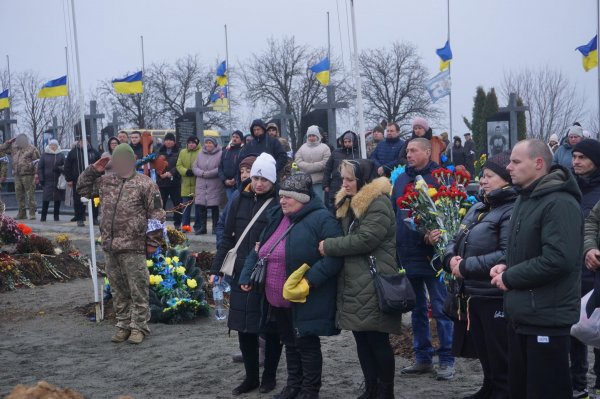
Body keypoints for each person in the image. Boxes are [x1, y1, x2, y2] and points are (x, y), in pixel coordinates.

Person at [490, 139, 582, 399]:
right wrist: (505, 265)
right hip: (523, 316)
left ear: (539, 164)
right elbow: (528, 251)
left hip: (547, 318)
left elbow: (558, 259)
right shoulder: (525, 198)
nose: (508, 167)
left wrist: (510, 277)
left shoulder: (559, 202)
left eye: (516, 162)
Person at [239, 173, 343, 399]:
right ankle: (293, 386)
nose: (283, 201)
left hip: (305, 295)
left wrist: (309, 281)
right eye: (281, 196)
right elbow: (260, 249)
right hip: (276, 297)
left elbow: (334, 257)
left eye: (289, 197)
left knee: (306, 343)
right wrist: (247, 275)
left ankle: (309, 391)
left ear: (303, 198)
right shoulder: (278, 215)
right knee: (289, 343)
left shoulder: (322, 219)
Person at [320, 159, 401, 399]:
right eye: (342, 179)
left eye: (349, 179)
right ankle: (371, 388)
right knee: (362, 340)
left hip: (374, 281)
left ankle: (386, 391)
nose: (344, 184)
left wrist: (329, 246)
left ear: (363, 181)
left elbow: (365, 240)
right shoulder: (349, 204)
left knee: (377, 340)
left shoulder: (378, 204)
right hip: (356, 280)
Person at [443, 151, 516, 399]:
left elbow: (506, 254)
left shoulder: (511, 209)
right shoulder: (478, 207)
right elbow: (456, 238)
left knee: (500, 353)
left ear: (507, 178)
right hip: (472, 292)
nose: (483, 180)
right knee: (484, 350)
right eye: (482, 176)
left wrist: (465, 266)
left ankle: (502, 391)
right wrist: (450, 257)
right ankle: (489, 387)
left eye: (489, 176)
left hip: (494, 294)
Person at [77, 144, 166, 344]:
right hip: (111, 246)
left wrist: (152, 242)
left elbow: (157, 215)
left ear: (132, 160)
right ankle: (123, 324)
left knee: (138, 288)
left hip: (134, 246)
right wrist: (94, 170)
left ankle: (138, 327)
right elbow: (82, 189)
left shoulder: (146, 184)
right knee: (118, 289)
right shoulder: (106, 182)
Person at [210, 152, 282, 396]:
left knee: (271, 329)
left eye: (264, 179)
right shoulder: (239, 199)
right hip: (241, 271)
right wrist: (216, 269)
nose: (259, 183)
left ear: (272, 181)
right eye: (256, 177)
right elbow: (227, 237)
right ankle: (251, 377)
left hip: (268, 273)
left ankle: (269, 377)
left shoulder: (278, 203)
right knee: (244, 327)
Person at [391, 138, 455, 380]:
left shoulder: (440, 177)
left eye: (413, 150)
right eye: (407, 150)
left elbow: (450, 216)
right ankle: (422, 358)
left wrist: (437, 236)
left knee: (441, 309)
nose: (408, 154)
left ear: (428, 152)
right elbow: (395, 214)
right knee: (416, 309)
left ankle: (447, 359)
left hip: (433, 256)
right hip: (408, 254)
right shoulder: (400, 180)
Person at [570, 139, 600, 399]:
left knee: (598, 328)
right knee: (574, 328)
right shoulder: (570, 189)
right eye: (574, 156)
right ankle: (577, 385)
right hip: (572, 270)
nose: (576, 161)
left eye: (582, 157)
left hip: (595, 270)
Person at [0, 134, 40, 220]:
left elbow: (37, 161)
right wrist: (9, 142)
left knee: (30, 194)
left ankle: (32, 213)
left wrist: (36, 173)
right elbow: (2, 148)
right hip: (17, 175)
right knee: (19, 195)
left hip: (28, 175)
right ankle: (22, 214)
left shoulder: (32, 148)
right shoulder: (14, 149)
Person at [64, 136, 101, 227]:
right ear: (78, 142)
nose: (83, 143)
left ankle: (94, 218)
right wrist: (69, 179)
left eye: (85, 141)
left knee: (95, 199)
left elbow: (100, 165)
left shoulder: (94, 152)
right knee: (78, 200)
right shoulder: (73, 153)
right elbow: (67, 166)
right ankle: (80, 218)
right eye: (81, 141)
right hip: (78, 180)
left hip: (93, 180)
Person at [192, 137, 224, 235]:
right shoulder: (200, 153)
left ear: (214, 144)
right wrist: (201, 173)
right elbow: (194, 167)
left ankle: (215, 227)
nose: (208, 145)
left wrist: (208, 173)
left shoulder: (220, 154)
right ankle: (202, 227)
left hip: (214, 184)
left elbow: (220, 167)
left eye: (210, 143)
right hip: (201, 184)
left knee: (214, 207)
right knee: (201, 207)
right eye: (206, 143)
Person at [322, 130, 360, 210]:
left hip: (351, 186)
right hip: (336, 185)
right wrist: (325, 184)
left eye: (349, 141)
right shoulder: (335, 152)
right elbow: (328, 168)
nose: (347, 144)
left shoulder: (359, 153)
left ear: (354, 141)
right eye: (345, 141)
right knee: (334, 208)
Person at [294, 125, 331, 201]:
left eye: (313, 135)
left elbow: (326, 162)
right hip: (305, 183)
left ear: (317, 136)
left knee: (319, 202)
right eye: (309, 136)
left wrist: (309, 167)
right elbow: (298, 160)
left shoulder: (325, 148)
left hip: (319, 183)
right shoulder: (302, 147)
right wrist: (310, 167)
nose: (311, 138)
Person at [155, 133, 182, 230]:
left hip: (175, 182)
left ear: (174, 142)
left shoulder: (179, 152)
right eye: (167, 140)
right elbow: (155, 164)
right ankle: (160, 225)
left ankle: (178, 224)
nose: (168, 142)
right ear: (164, 141)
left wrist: (171, 172)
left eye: (171, 140)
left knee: (177, 204)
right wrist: (160, 173)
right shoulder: (159, 151)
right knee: (160, 205)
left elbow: (180, 164)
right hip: (162, 183)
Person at [176, 136, 201, 231]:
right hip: (186, 184)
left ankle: (198, 227)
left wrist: (195, 171)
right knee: (186, 208)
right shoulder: (182, 152)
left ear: (197, 143)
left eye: (193, 143)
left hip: (198, 184)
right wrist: (186, 171)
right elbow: (178, 165)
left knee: (198, 208)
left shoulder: (201, 152)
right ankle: (186, 227)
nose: (191, 144)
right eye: (189, 142)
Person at [38, 139, 65, 222]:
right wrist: (41, 178)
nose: (53, 146)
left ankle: (56, 216)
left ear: (57, 146)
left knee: (57, 200)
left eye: (55, 145)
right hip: (47, 181)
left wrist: (59, 168)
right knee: (45, 199)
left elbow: (65, 166)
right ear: (49, 146)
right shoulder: (44, 155)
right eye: (51, 145)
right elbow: (40, 168)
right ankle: (43, 217)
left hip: (58, 181)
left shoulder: (61, 155)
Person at [219, 130, 244, 200]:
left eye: (237, 137)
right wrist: (225, 180)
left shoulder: (243, 151)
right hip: (227, 185)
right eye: (233, 137)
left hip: (238, 184)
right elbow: (220, 168)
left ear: (241, 140)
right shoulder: (225, 151)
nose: (234, 139)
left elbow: (242, 168)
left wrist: (235, 179)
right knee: (230, 205)